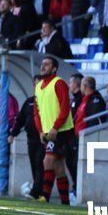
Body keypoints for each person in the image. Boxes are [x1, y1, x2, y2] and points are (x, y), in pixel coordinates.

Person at [33, 56, 74, 205]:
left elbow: (65, 107)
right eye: (42, 64)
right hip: (48, 132)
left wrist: (55, 127)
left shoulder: (59, 83)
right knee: (59, 167)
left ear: (54, 68)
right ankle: (65, 202)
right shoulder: (38, 87)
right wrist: (40, 131)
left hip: (61, 130)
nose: (43, 67)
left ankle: (45, 196)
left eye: (47, 64)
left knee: (48, 160)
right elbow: (36, 111)